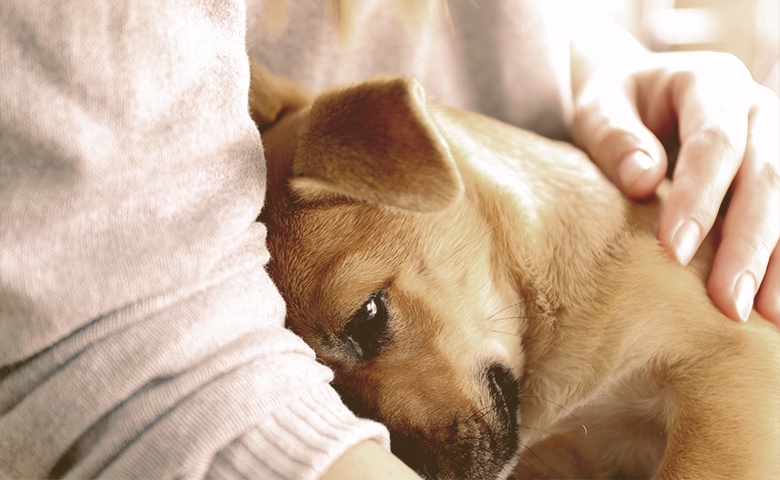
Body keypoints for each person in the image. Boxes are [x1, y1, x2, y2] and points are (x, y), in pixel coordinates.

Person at [0, 1, 776, 479]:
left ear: (398, 157)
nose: (377, 420)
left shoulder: (609, 290)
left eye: (371, 320)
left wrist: (606, 68)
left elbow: (749, 379)